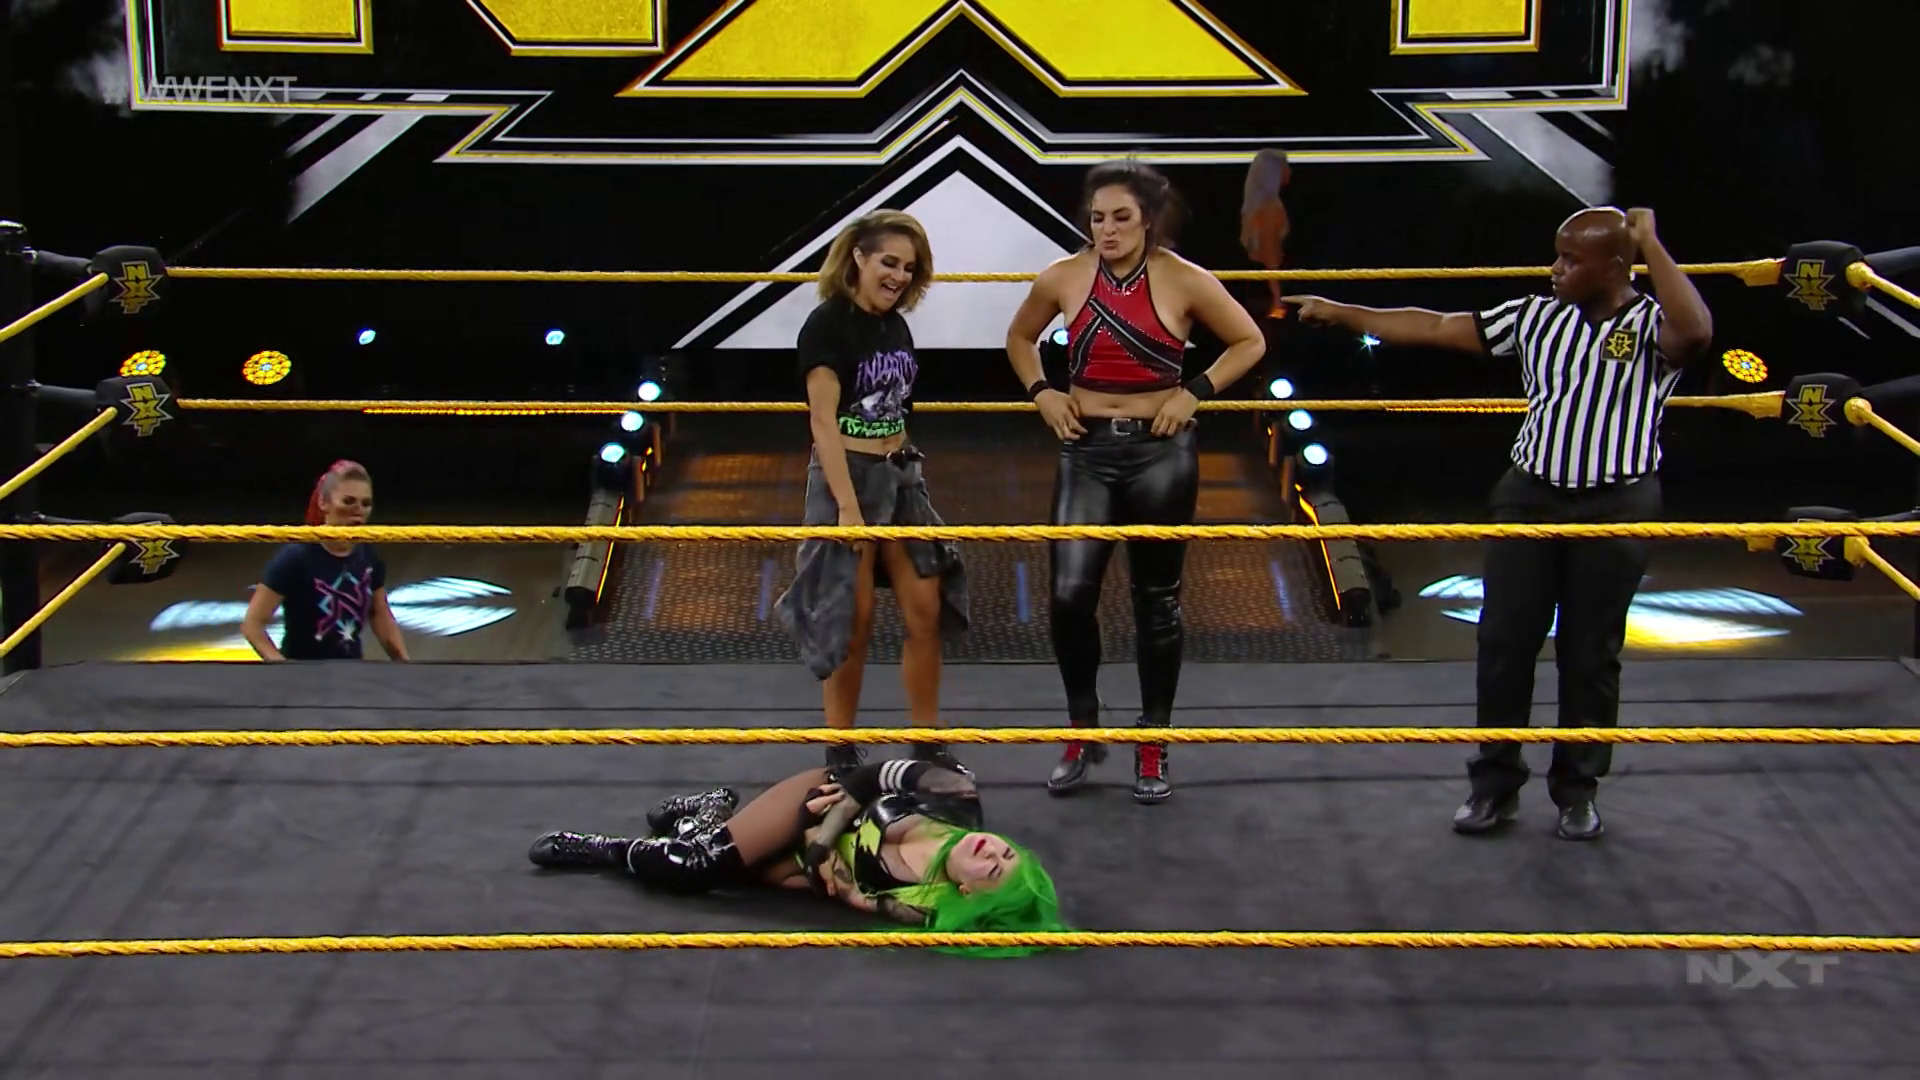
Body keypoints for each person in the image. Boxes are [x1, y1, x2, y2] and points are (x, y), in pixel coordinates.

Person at [1291, 207, 1713, 841]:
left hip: (1618, 502)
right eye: (1557, 254)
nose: (1555, 269)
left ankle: (1577, 792)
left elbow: (1697, 332)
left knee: (1591, 654)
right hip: (1530, 495)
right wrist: (1343, 311)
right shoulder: (1535, 317)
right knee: (1503, 643)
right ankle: (1493, 784)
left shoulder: (1652, 324)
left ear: (1613, 267)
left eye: (1571, 259)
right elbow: (1435, 326)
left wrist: (1649, 241)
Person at [1003, 159, 1268, 804]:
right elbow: (1019, 336)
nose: (1108, 229)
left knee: (1157, 601)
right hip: (1086, 449)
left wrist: (1194, 392)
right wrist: (1042, 392)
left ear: (1148, 218)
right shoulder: (1064, 275)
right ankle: (1083, 728)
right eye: (1098, 218)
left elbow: (1249, 341)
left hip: (1160, 453)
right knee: (1069, 596)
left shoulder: (1185, 278)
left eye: (1121, 217)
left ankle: (1153, 739)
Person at [772, 210, 970, 781]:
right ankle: (840, 749)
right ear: (857, 257)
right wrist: (848, 509)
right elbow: (822, 423)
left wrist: (905, 469)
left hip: (900, 476)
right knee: (850, 619)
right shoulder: (826, 326)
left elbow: (897, 408)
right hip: (847, 478)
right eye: (889, 262)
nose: (899, 276)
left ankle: (926, 739)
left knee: (926, 608)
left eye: (908, 268)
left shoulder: (896, 327)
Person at [527, 757, 1069, 955]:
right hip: (818, 799)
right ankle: (600, 848)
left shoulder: (920, 906)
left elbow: (849, 894)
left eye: (992, 869)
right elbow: (869, 775)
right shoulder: (959, 801)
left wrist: (815, 868)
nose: (991, 851)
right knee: (697, 868)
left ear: (967, 893)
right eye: (1007, 852)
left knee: (729, 875)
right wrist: (824, 833)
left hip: (815, 859)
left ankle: (705, 811)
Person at [241, 459, 409, 663]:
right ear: (324, 503)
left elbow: (380, 615)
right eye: (348, 501)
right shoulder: (295, 557)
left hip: (352, 670)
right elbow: (252, 625)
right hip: (304, 671)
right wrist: (283, 668)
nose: (358, 510)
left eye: (366, 504)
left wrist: (405, 664)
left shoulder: (368, 555)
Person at [1239, 149, 1292, 318]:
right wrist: (1277, 300)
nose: (1289, 171)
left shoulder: (1254, 208)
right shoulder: (1270, 208)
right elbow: (1270, 254)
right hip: (1269, 289)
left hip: (1261, 285)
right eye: (1285, 166)